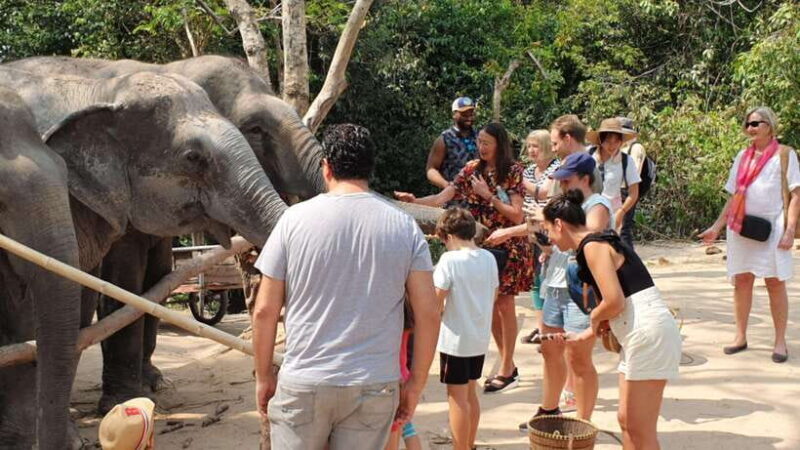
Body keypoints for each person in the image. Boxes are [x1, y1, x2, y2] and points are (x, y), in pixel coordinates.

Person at [252, 124, 440, 449]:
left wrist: (263, 376)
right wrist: (416, 383)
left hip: (305, 381)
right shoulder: (402, 225)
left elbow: (265, 310)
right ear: (370, 168)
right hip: (374, 385)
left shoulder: (293, 221)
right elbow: (429, 314)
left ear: (326, 167)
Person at [395, 122, 532, 393]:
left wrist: (487, 195)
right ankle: (509, 364)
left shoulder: (514, 171)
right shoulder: (471, 169)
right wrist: (416, 201)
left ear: (499, 145)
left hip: (508, 245)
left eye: (486, 143)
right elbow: (445, 196)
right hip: (481, 244)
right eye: (479, 142)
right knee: (492, 306)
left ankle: (506, 367)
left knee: (505, 305)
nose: (481, 147)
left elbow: (516, 215)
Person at [543, 189, 681, 449]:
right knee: (626, 420)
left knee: (640, 429)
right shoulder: (597, 242)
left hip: (647, 331)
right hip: (639, 331)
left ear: (559, 224)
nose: (548, 238)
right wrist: (586, 334)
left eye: (548, 229)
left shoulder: (592, 246)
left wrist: (594, 316)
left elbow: (614, 301)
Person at [699, 106, 800, 363]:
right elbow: (734, 196)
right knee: (742, 281)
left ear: (769, 126)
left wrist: (790, 231)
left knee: (775, 283)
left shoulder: (785, 155)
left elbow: (796, 195)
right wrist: (716, 227)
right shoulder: (742, 156)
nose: (750, 128)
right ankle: (740, 336)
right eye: (748, 124)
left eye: (756, 123)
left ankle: (779, 342)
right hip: (741, 228)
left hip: (774, 227)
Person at [520, 153, 611, 430]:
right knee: (551, 350)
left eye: (567, 180)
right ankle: (549, 410)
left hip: (580, 289)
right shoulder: (561, 205)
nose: (562, 185)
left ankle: (582, 423)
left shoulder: (597, 204)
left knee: (578, 355)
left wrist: (552, 217)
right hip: (555, 284)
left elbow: (587, 237)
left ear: (585, 179)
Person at [433, 208, 499, 450]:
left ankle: (460, 447)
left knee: (456, 398)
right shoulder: (488, 258)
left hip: (455, 341)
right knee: (471, 394)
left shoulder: (448, 260)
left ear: (448, 236)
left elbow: (436, 302)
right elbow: (493, 294)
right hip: (479, 339)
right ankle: (468, 444)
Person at [587, 117, 640, 236]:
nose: (612, 146)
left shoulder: (626, 161)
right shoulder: (588, 156)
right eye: (608, 141)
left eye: (617, 141)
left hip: (612, 215)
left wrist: (621, 213)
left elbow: (634, 193)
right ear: (601, 139)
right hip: (588, 212)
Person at [426, 96, 478, 189]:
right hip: (453, 199)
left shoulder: (480, 137)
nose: (469, 117)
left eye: (471, 113)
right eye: (464, 114)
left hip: (477, 197)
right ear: (454, 114)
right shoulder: (444, 139)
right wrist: (447, 186)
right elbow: (431, 169)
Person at [619, 117, 646, 249]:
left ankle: (629, 262)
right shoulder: (620, 148)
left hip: (626, 191)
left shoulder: (636, 148)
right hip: (615, 192)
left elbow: (634, 174)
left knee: (623, 229)